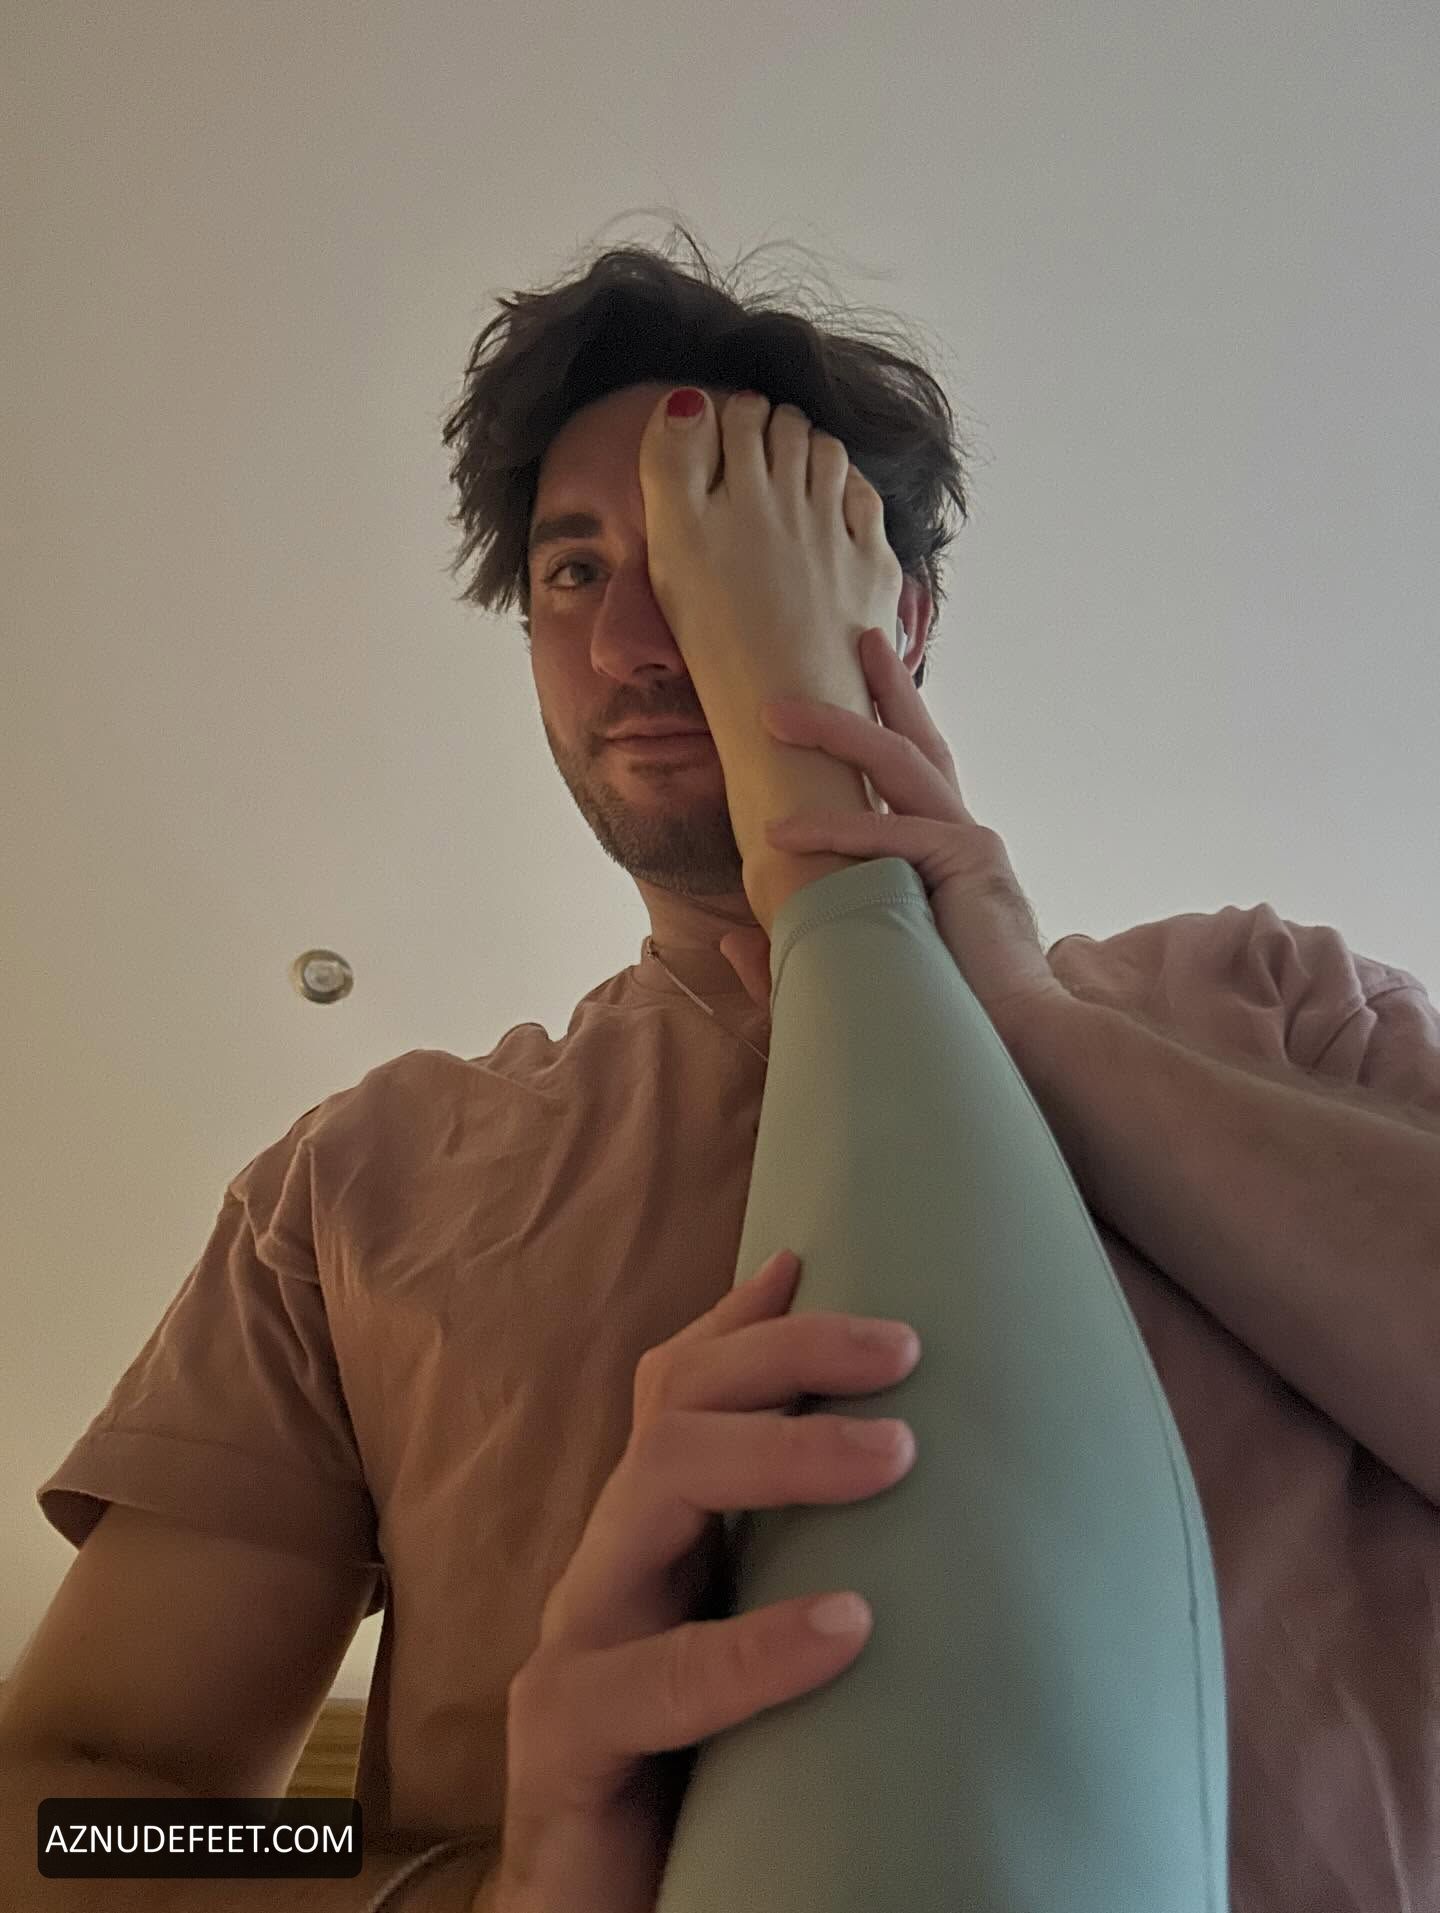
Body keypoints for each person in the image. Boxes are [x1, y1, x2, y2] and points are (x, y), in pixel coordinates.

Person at [6, 232, 1440, 1913]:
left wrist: (1044, 1030)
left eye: (716, 548)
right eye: (571, 570)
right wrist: (471, 1888)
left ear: (897, 613)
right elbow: (71, 1815)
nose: (633, 636)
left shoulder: (1279, 1009)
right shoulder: (351, 1193)